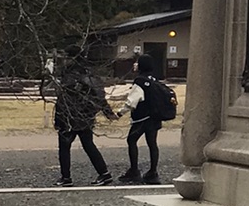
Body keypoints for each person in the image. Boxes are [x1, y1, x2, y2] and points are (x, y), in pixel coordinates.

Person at [52, 55, 117, 186]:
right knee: (88, 145)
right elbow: (99, 96)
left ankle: (66, 177)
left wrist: (59, 118)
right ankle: (104, 173)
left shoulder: (70, 76)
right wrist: (108, 112)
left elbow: (64, 99)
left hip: (70, 117)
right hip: (85, 116)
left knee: (64, 147)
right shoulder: (90, 75)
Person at [119, 55, 172, 185]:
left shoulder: (139, 81)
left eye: (138, 63)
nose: (135, 64)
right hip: (154, 117)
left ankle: (134, 171)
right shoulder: (154, 80)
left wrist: (120, 113)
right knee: (152, 144)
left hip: (142, 118)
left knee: (131, 140)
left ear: (141, 65)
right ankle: (153, 172)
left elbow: (132, 101)